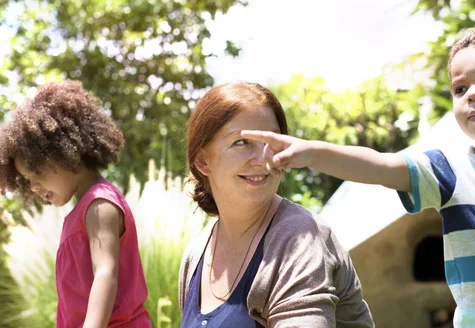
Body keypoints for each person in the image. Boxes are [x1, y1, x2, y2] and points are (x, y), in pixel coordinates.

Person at [241, 22, 475, 327]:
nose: (472, 94)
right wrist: (313, 152)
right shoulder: (448, 170)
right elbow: (380, 165)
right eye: (460, 88)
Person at [178, 81, 374, 327]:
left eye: (272, 143)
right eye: (242, 142)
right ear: (202, 161)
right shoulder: (195, 257)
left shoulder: (300, 238)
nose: (263, 159)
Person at [0, 80, 151, 327]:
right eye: (26, 181)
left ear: (63, 153)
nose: (33, 186)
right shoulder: (80, 212)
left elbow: (105, 273)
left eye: (36, 173)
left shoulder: (100, 204)